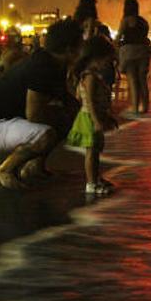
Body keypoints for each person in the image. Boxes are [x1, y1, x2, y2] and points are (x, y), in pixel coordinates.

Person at [0, 19, 83, 189]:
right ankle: (6, 169)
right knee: (47, 134)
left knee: (67, 120)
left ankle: (34, 167)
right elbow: (34, 114)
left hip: (7, 120)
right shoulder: (42, 67)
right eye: (80, 45)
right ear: (69, 49)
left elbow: (64, 98)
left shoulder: (52, 61)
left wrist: (82, 114)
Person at [66, 36, 119, 195]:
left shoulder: (91, 75)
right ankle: (91, 183)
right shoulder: (90, 77)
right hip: (89, 117)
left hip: (93, 116)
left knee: (95, 151)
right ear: (95, 58)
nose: (108, 64)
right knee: (92, 152)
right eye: (106, 60)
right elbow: (89, 101)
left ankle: (95, 178)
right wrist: (97, 120)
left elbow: (81, 98)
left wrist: (106, 117)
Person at [117, 0, 151, 114]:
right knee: (142, 80)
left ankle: (135, 108)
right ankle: (146, 107)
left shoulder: (126, 20)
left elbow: (118, 36)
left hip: (130, 53)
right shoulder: (143, 21)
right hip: (143, 52)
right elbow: (145, 37)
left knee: (133, 81)